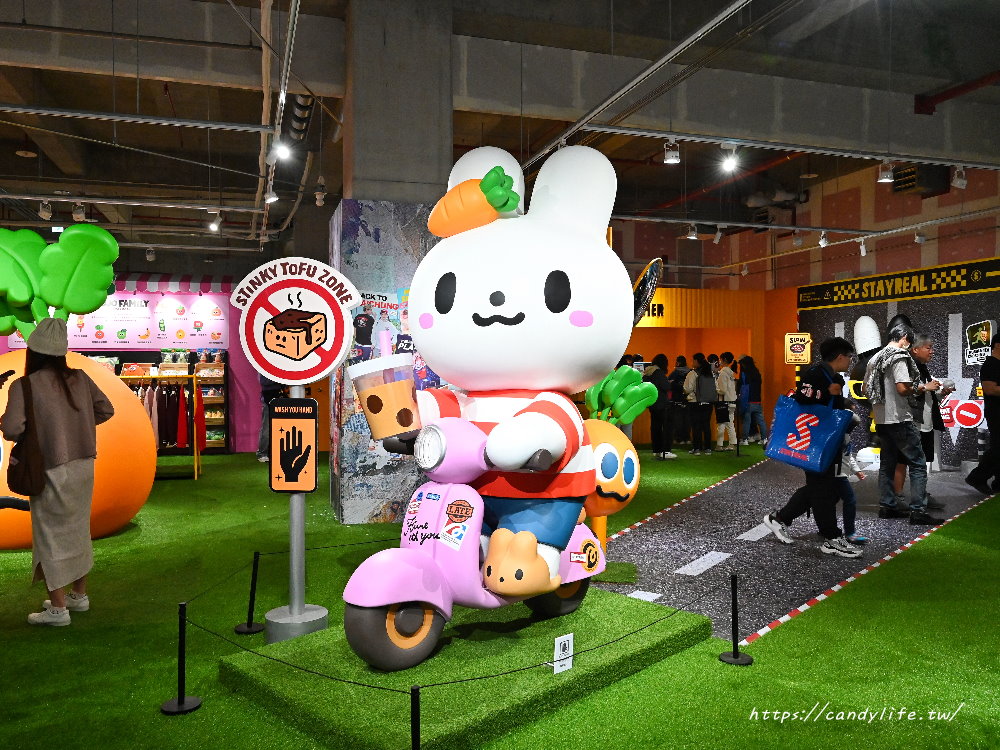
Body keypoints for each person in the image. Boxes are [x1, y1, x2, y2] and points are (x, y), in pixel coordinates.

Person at [0, 318, 115, 626]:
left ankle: (58, 609)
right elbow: (106, 410)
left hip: (48, 466)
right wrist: (78, 425)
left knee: (49, 536)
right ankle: (79, 595)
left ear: (33, 351)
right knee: (78, 531)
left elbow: (12, 429)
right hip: (84, 464)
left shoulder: (24, 386)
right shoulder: (81, 378)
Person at [763, 336, 862, 557]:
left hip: (826, 441)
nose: (850, 361)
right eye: (849, 357)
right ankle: (831, 538)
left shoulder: (834, 377)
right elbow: (802, 398)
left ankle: (779, 518)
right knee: (823, 489)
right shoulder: (815, 374)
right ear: (839, 357)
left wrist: (843, 402)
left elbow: (830, 404)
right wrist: (830, 392)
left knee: (822, 488)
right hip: (813, 442)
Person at [863, 322, 939, 525]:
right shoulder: (898, 357)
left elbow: (865, 389)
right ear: (904, 338)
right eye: (910, 341)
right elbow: (903, 388)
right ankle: (918, 511)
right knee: (918, 463)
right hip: (899, 417)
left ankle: (887, 506)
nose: (910, 346)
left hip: (881, 419)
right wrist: (920, 387)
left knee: (887, 464)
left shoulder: (875, 358)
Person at [907, 333, 953, 509]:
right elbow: (904, 390)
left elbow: (926, 395)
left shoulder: (922, 367)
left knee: (923, 462)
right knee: (916, 464)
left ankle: (921, 497)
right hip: (915, 422)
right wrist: (926, 387)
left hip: (926, 422)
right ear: (915, 349)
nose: (932, 351)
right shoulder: (909, 366)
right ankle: (916, 502)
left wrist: (940, 392)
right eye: (928, 348)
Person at [965, 333, 1000, 495]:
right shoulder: (990, 364)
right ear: (997, 345)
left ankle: (998, 483)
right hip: (996, 413)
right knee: (998, 448)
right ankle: (977, 477)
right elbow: (990, 389)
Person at [643, 354, 676, 460]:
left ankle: (656, 450)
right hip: (662, 404)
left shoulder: (648, 372)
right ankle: (665, 451)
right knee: (667, 428)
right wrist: (670, 383)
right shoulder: (659, 373)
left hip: (652, 404)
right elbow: (666, 386)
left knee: (655, 427)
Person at [684, 353, 716, 455]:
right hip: (708, 402)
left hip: (695, 402)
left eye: (693, 360)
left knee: (696, 426)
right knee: (706, 425)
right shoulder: (710, 373)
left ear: (696, 361)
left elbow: (687, 388)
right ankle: (708, 448)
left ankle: (697, 448)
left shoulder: (692, 373)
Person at [737, 355, 768, 446]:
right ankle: (764, 438)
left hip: (748, 401)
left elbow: (742, 386)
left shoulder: (744, 373)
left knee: (746, 421)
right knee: (761, 421)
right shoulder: (757, 372)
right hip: (757, 400)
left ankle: (745, 439)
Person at [256, 374, 285, 463]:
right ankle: (262, 453)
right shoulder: (264, 368)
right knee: (266, 427)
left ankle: (275, 451)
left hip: (279, 396)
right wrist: (279, 378)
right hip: (268, 397)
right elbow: (264, 382)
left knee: (280, 426)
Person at [715, 352, 738, 451]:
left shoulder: (723, 373)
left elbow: (722, 390)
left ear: (723, 360)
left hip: (724, 402)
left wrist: (715, 388)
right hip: (732, 401)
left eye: (720, 359)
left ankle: (719, 445)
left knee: (721, 424)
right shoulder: (731, 373)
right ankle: (732, 443)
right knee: (730, 423)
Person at [668, 356, 691, 445]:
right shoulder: (690, 372)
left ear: (677, 362)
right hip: (688, 399)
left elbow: (669, 383)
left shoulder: (675, 373)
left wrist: (674, 384)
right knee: (687, 420)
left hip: (677, 399)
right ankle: (687, 438)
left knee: (678, 420)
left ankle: (678, 438)